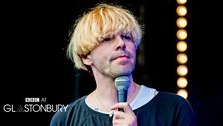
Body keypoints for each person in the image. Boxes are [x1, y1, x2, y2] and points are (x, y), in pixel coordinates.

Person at [50, 3, 195, 126]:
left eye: (127, 37)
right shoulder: (66, 119)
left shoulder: (174, 108)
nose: (121, 44)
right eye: (107, 39)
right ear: (86, 56)